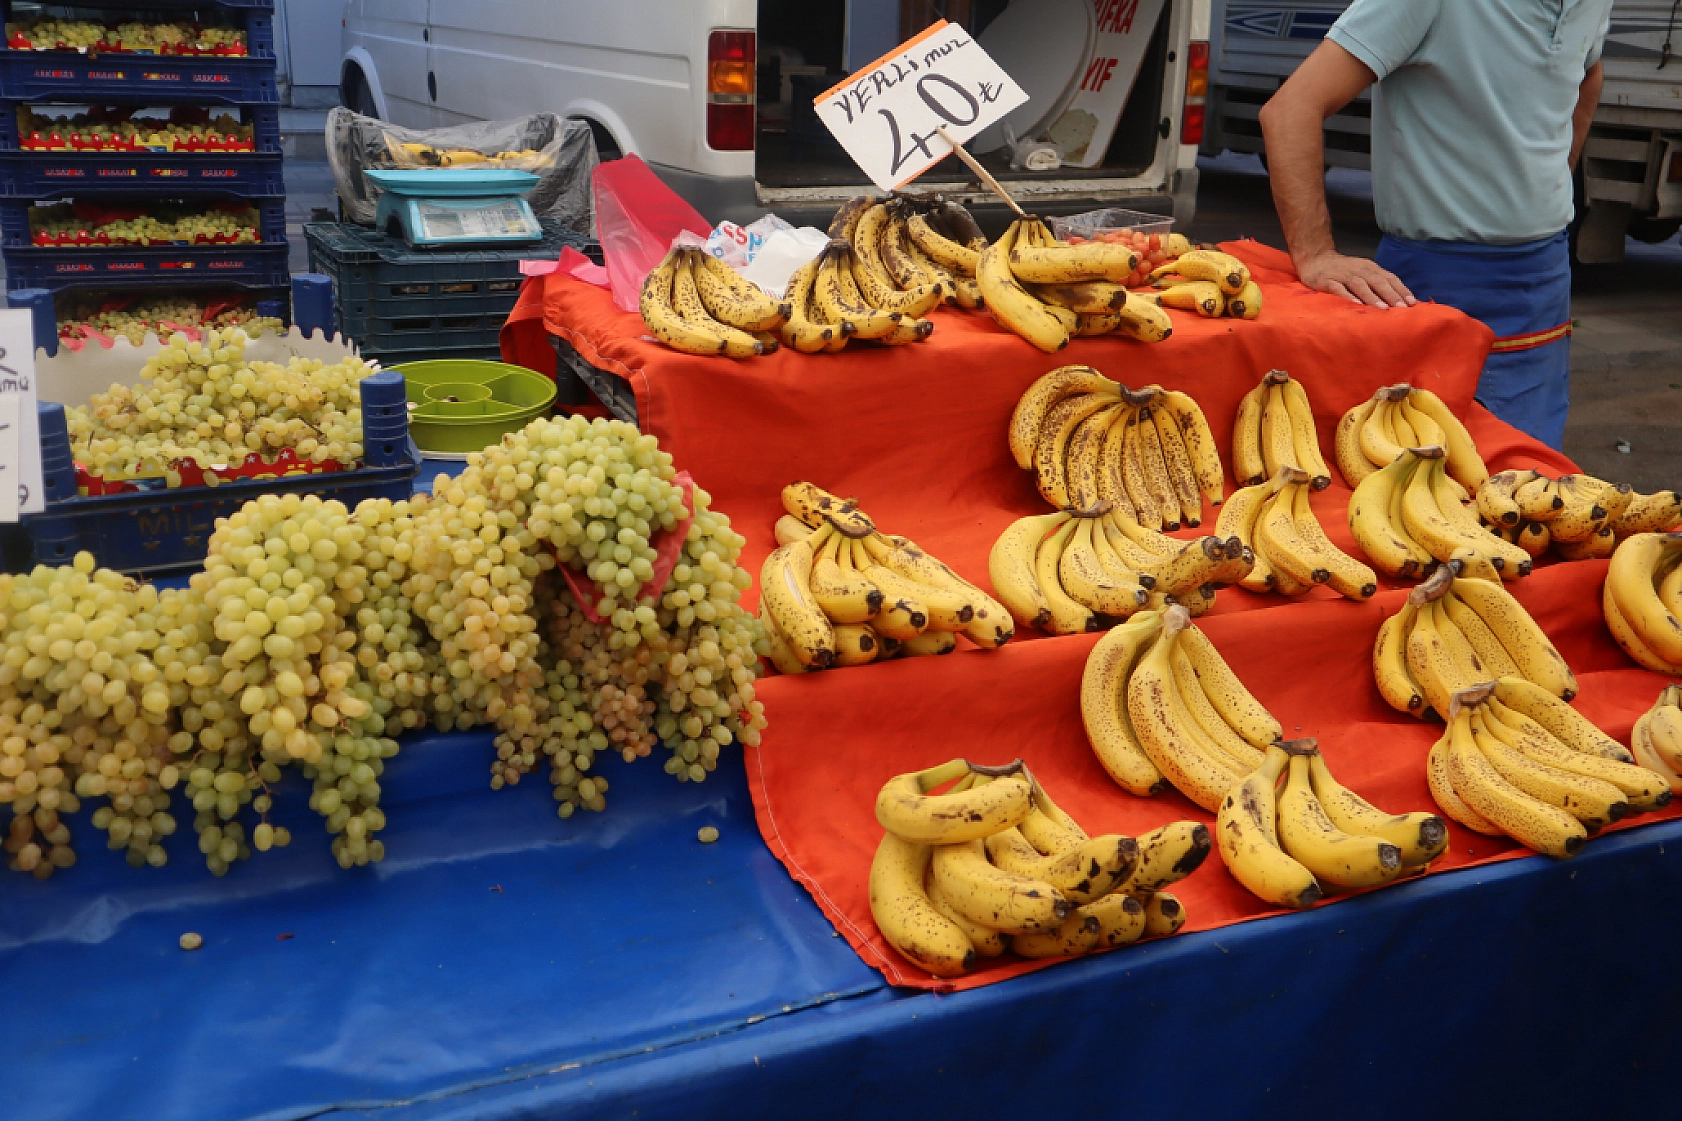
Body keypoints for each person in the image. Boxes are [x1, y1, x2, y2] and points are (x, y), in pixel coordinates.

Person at [1258, 1, 1612, 450]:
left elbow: (1588, 74)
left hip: (1543, 280)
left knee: (1534, 480)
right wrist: (1316, 254)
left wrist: (1544, 188)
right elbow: (1290, 110)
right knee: (1425, 482)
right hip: (1431, 280)